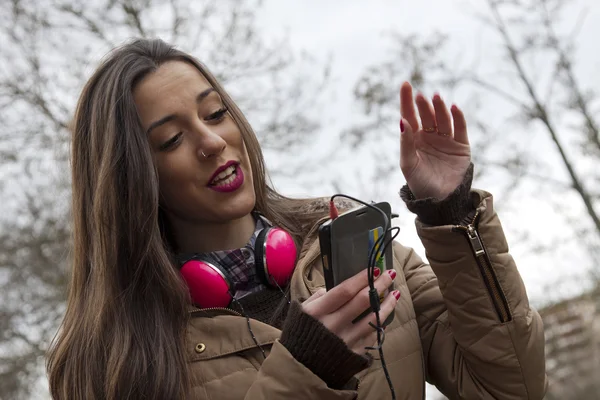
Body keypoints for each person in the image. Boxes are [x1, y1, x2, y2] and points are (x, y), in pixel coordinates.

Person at [46, 38, 547, 399]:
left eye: (216, 113)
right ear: (132, 179)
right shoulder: (105, 360)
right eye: (172, 140)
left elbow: (509, 386)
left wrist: (450, 212)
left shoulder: (363, 249)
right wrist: (306, 369)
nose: (212, 142)